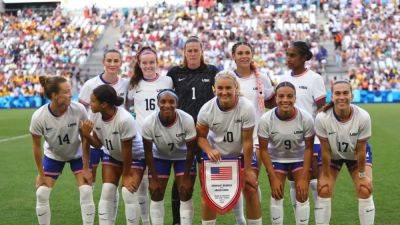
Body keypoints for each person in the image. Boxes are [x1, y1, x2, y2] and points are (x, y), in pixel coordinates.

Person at [197, 71, 262, 225]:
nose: (224, 92)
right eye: (220, 88)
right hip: (217, 157)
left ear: (235, 88)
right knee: (208, 195)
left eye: (228, 88)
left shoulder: (246, 107)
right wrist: (209, 150)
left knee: (251, 188)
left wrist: (247, 171)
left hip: (240, 154)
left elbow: (247, 142)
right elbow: (200, 137)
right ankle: (239, 220)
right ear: (214, 89)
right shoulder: (206, 109)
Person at [166, 36, 219, 225]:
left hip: (206, 133)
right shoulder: (174, 72)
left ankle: (209, 219)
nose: (193, 53)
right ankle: (177, 221)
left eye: (196, 50)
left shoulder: (212, 71)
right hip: (183, 134)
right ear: (184, 52)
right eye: (190, 50)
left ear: (202, 51)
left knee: (209, 177)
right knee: (182, 178)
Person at [30, 76, 94, 225]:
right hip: (54, 155)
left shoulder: (79, 109)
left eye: (70, 90)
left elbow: (85, 139)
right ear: (54, 96)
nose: (70, 94)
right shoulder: (39, 117)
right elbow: (36, 147)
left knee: (86, 190)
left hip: (77, 154)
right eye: (66, 92)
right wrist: (41, 174)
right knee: (41, 193)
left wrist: (86, 168)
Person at [80, 84, 145, 225]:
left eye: (92, 101)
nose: (89, 104)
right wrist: (87, 135)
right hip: (112, 154)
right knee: (107, 190)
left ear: (103, 104)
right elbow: (97, 144)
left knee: (127, 193)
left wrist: (126, 175)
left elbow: (127, 151)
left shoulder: (124, 119)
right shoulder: (95, 115)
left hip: (135, 156)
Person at [79, 49, 129, 224]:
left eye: (116, 60)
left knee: (110, 185)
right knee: (87, 185)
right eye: (109, 60)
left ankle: (109, 220)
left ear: (121, 63)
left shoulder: (126, 84)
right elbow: (82, 114)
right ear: (103, 62)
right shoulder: (89, 85)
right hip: (93, 140)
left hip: (113, 141)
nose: (112, 64)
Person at [315, 80, 374, 225]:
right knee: (323, 188)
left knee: (365, 188)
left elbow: (361, 150)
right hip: (332, 154)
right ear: (332, 97)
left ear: (352, 96)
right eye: (338, 93)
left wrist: (362, 175)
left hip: (356, 156)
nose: (342, 97)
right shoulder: (322, 118)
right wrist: (326, 175)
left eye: (345, 93)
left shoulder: (363, 116)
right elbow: (325, 149)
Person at [126, 46, 173, 225]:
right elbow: (126, 107)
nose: (148, 66)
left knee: (156, 184)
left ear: (157, 62)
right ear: (139, 64)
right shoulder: (133, 84)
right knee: (141, 185)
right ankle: (145, 221)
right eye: (144, 63)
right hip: (139, 140)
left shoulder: (167, 81)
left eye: (151, 62)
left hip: (161, 140)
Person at [231, 41, 275, 225]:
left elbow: (272, 102)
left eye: (247, 52)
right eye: (239, 52)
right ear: (233, 56)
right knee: (235, 185)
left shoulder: (262, 79)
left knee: (250, 182)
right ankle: (240, 219)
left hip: (256, 137)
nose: (243, 56)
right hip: (232, 139)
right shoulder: (226, 78)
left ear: (252, 54)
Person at [258, 82, 314, 225]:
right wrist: (272, 176)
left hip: (299, 158)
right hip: (277, 159)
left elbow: (309, 148)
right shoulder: (265, 119)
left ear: (295, 98)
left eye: (290, 96)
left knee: (302, 194)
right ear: (275, 98)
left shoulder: (306, 118)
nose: (285, 100)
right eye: (281, 96)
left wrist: (304, 176)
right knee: (276, 194)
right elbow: (263, 150)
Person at [279, 41, 326, 214]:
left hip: (310, 137)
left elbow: (322, 108)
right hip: (288, 137)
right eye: (287, 55)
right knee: (293, 180)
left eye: (293, 55)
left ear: (304, 57)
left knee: (313, 181)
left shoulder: (315, 78)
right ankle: (299, 217)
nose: (289, 59)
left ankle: (321, 220)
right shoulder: (284, 78)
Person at [142, 89, 197, 225]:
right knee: (155, 192)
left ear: (177, 104)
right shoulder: (149, 122)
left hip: (183, 156)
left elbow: (191, 150)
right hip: (159, 155)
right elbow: (148, 152)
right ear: (157, 103)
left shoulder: (187, 119)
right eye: (163, 101)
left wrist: (185, 177)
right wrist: (153, 178)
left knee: (185, 191)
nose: (167, 105)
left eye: (171, 102)